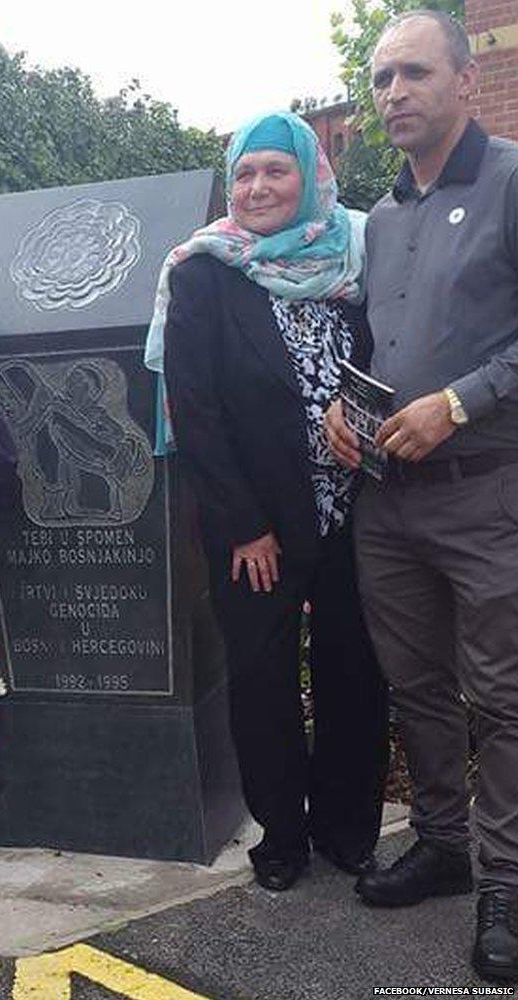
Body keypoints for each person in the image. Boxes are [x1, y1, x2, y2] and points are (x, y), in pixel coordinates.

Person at [146, 111, 389, 892]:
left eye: (275, 171)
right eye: (244, 173)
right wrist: (245, 526)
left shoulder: (355, 259)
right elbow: (196, 410)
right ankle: (281, 836)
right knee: (263, 681)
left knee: (355, 669)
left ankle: (349, 829)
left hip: (359, 510)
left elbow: (392, 359)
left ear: (310, 177)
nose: (257, 188)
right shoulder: (202, 272)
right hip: (255, 526)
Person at [325, 9, 518, 982]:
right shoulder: (385, 216)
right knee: (418, 686)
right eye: (380, 80)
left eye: (412, 74)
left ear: (465, 84)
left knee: (503, 694)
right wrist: (343, 407)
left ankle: (507, 883)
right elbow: (375, 342)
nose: (392, 93)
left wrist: (458, 401)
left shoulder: (515, 183)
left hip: (487, 491)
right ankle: (445, 845)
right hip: (387, 498)